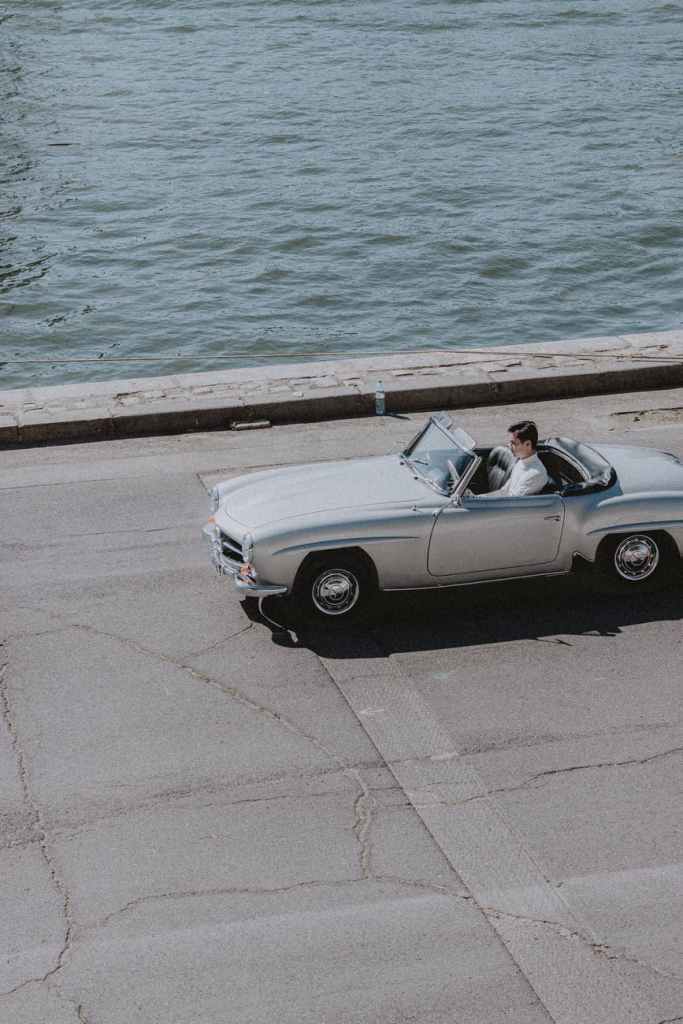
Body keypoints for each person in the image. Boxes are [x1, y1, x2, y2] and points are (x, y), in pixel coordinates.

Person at [484, 420, 549, 497]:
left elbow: (513, 502)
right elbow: (504, 491)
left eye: (513, 443)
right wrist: (480, 498)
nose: (509, 445)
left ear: (528, 444)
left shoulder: (536, 474)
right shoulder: (521, 461)